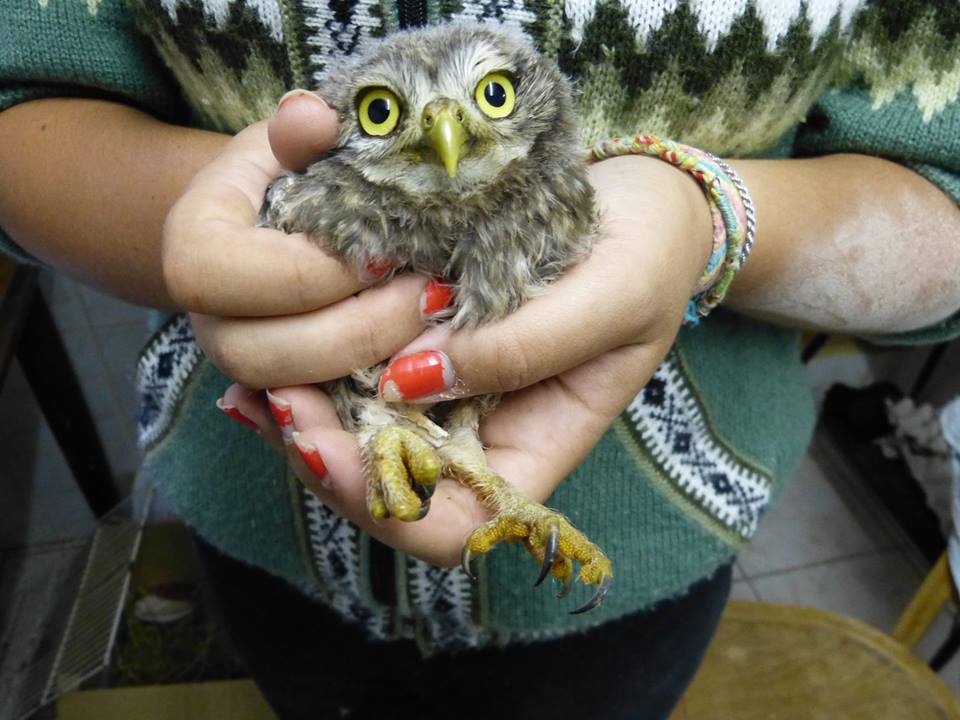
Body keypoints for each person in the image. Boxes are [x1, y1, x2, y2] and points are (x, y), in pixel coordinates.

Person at [2, 0, 959, 717]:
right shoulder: (338, 187)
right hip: (266, 532)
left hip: (646, 562)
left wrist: (707, 218)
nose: (446, 133)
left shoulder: (550, 189)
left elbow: (939, 188)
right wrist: (233, 232)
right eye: (384, 112)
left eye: (492, 96)